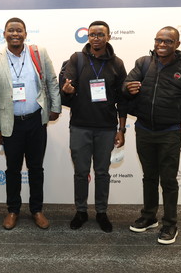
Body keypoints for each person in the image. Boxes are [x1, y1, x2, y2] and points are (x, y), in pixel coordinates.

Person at [123, 26, 181, 245]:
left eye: (168, 41)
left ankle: (170, 224)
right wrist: (128, 88)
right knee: (149, 177)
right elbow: (124, 87)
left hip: (169, 133)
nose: (162, 44)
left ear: (177, 44)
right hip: (144, 130)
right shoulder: (143, 63)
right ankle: (149, 216)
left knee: (168, 180)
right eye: (158, 40)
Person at [0, 17, 61, 230]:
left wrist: (55, 106)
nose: (15, 34)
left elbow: (51, 80)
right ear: (4, 34)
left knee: (36, 168)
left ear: (25, 34)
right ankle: (13, 210)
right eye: (11, 30)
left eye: (19, 30)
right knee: (13, 169)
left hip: (36, 120)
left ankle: (37, 209)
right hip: (11, 124)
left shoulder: (38, 53)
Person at [60, 21, 128, 232]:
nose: (96, 38)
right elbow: (67, 86)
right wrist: (68, 90)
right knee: (81, 172)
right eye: (92, 34)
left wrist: (121, 129)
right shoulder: (77, 59)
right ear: (88, 37)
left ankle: (101, 212)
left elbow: (123, 99)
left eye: (100, 34)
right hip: (80, 126)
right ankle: (81, 211)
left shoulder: (117, 64)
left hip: (106, 127)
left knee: (102, 172)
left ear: (108, 37)